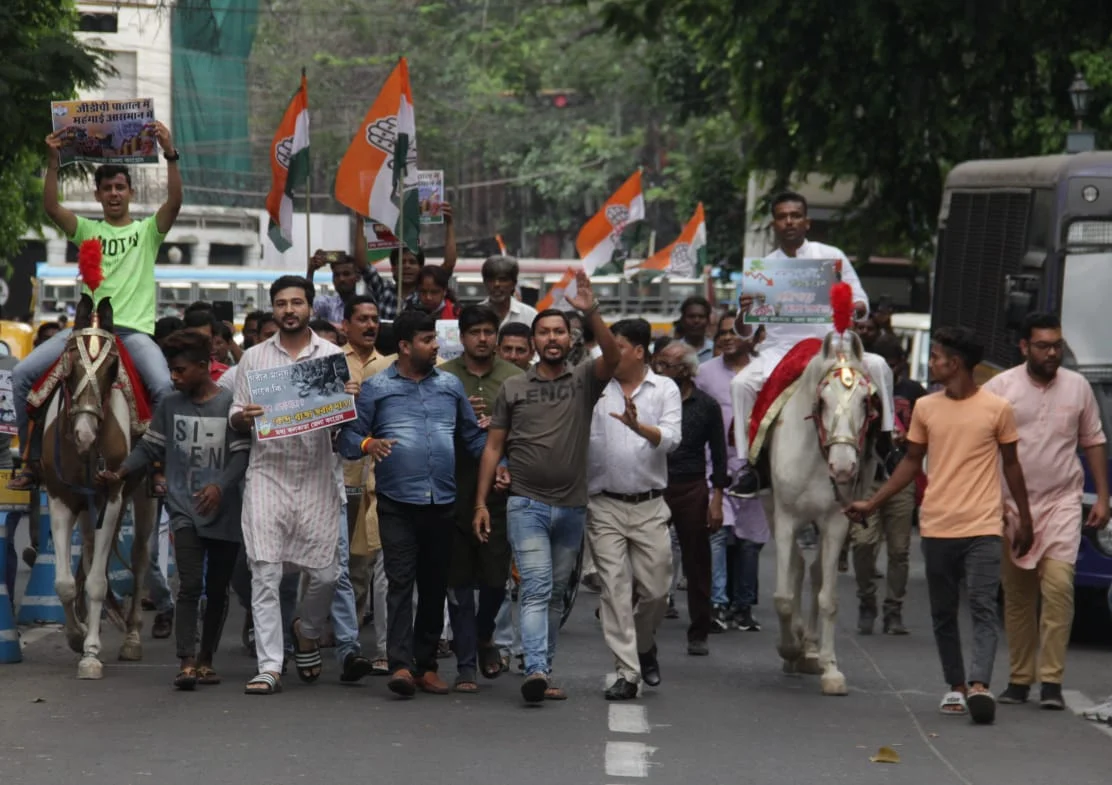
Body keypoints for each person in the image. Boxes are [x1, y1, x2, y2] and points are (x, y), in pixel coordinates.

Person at [845, 326, 1035, 725]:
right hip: (937, 525)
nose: (931, 363)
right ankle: (957, 687)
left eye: (936, 357)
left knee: (983, 606)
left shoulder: (997, 409)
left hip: (984, 525)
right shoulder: (927, 408)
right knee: (944, 613)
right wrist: (873, 502)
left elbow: (1013, 466)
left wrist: (1024, 519)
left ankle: (980, 685)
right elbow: (911, 463)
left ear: (957, 363)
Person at [473, 271, 621, 703]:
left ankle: (543, 667)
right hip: (526, 504)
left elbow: (613, 355)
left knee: (556, 592)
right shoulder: (514, 387)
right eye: (544, 332)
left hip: (572, 507)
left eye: (559, 331)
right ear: (533, 341)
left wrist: (591, 310)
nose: (552, 338)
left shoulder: (584, 381)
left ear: (569, 339)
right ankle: (535, 668)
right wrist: (481, 501)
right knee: (535, 586)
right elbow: (492, 447)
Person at [9, 122, 182, 490]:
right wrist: (52, 161)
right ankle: (32, 461)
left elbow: (175, 203)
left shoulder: (147, 232)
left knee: (165, 388)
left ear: (130, 192)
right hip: (85, 333)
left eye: (120, 187)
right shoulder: (87, 230)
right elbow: (52, 206)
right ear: (99, 195)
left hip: (132, 333)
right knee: (22, 375)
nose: (114, 193)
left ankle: (156, 466)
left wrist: (170, 153)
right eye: (107, 188)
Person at [338, 309, 488, 697]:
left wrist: (499, 463)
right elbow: (348, 439)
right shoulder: (376, 388)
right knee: (401, 582)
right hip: (396, 501)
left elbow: (472, 438)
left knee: (434, 585)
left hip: (442, 501)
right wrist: (370, 444)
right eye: (426, 340)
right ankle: (401, 665)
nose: (436, 345)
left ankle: (427, 666)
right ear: (404, 347)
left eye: (434, 338)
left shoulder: (451, 387)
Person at [230, 275, 362, 695]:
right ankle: (270, 664)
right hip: (269, 473)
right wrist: (244, 417)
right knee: (265, 573)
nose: (290, 310)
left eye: (297, 303)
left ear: (310, 308)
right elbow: (233, 415)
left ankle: (307, 630)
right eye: (282, 303)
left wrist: (348, 399)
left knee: (325, 573)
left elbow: (346, 426)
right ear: (274, 308)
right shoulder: (253, 359)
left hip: (318, 474)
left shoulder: (331, 355)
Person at [101, 330, 249, 690]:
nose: (174, 377)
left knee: (216, 590)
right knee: (189, 585)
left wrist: (220, 487)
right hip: (183, 508)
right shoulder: (169, 404)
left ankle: (205, 660)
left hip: (226, 513)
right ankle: (185, 660)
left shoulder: (230, 405)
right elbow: (151, 447)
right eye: (171, 370)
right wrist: (121, 471)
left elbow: (242, 454)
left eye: (181, 370)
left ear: (203, 367)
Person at [729, 191, 894, 498]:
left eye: (795, 216)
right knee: (740, 384)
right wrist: (744, 310)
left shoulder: (831, 256)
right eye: (782, 216)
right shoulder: (764, 267)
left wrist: (852, 307)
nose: (789, 221)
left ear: (806, 222)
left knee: (880, 366)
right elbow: (744, 330)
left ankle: (887, 443)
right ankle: (748, 466)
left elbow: (861, 302)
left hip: (831, 348)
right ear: (774, 224)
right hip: (780, 351)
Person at [983, 313, 1110, 710]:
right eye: (1043, 345)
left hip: (1062, 501)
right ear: (1024, 347)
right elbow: (980, 441)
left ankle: (1051, 682)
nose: (1052, 352)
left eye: (1057, 345)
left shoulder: (1078, 387)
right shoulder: (1000, 388)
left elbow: (1093, 441)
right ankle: (1020, 680)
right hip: (1011, 505)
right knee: (1018, 595)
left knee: (1058, 586)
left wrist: (1103, 497)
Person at [587, 318, 681, 700]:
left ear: (639, 351)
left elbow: (672, 439)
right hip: (603, 505)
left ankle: (644, 646)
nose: (609, 353)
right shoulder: (595, 384)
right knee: (614, 590)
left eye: (618, 346)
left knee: (657, 592)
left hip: (650, 505)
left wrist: (638, 426)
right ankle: (627, 671)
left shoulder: (665, 388)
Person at [440, 305, 523, 692]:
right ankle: (466, 664)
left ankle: (486, 634)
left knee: (494, 580)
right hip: (452, 487)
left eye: (490, 331)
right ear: (462, 337)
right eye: (475, 332)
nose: (483, 339)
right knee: (457, 582)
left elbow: (528, 433)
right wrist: (459, 422)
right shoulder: (443, 378)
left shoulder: (515, 378)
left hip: (501, 490)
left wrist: (501, 431)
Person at [654, 340, 727, 655]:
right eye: (658, 364)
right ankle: (642, 624)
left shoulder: (707, 405)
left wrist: (717, 499)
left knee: (698, 562)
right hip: (654, 484)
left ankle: (699, 630)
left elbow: (720, 455)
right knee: (649, 558)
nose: (659, 370)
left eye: (666, 365)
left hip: (692, 487)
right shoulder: (652, 401)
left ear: (684, 370)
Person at [852, 334, 925, 635]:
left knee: (899, 549)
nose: (889, 373)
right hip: (868, 478)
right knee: (863, 543)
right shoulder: (859, 389)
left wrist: (911, 439)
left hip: (901, 479)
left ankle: (893, 608)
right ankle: (866, 598)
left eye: (893, 366)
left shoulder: (913, 392)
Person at [340, 295, 390, 674]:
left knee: (376, 559)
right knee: (347, 563)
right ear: (346, 324)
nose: (370, 325)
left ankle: (374, 641)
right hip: (342, 475)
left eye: (375, 319)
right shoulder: (331, 362)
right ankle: (348, 638)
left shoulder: (390, 364)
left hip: (379, 474)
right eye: (362, 319)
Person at [480, 256, 537, 328]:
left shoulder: (529, 315)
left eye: (503, 280)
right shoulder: (473, 314)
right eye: (491, 280)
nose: (496, 284)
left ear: (514, 283)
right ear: (484, 283)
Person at [307, 251, 363, 325]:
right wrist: (311, 271)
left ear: (358, 277)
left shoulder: (365, 305)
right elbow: (306, 306)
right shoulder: (327, 304)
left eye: (346, 274)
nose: (341, 279)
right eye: (336, 275)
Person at [674, 297, 715, 363]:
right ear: (682, 320)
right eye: (691, 316)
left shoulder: (716, 350)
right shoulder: (673, 351)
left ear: (708, 321)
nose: (696, 321)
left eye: (701, 316)